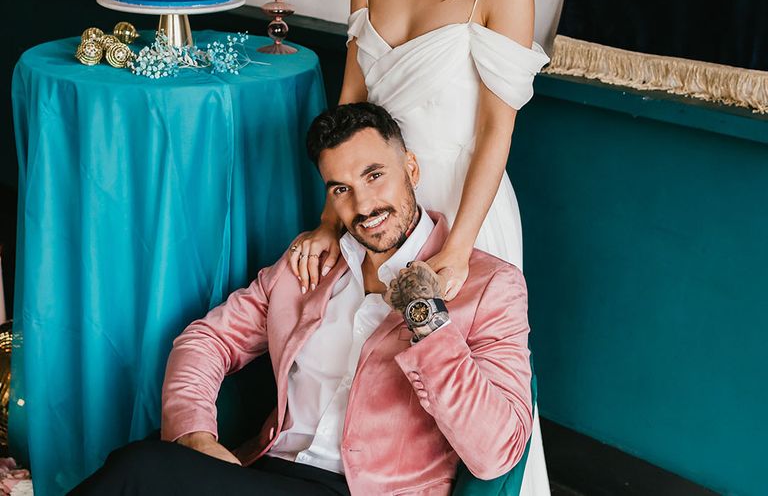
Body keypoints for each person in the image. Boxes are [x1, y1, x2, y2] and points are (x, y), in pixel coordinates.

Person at [70, 102, 534, 496]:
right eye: (342, 189)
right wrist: (194, 435)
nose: (365, 205)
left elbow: (497, 453)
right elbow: (206, 340)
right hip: (271, 473)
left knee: (138, 470)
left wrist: (426, 318)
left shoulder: (490, 286)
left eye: (375, 176)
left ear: (410, 168)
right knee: (141, 468)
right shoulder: (310, 266)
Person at [288, 0, 550, 492]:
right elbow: (350, 109)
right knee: (370, 363)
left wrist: (460, 246)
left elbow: (499, 129)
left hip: (466, 206)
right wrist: (327, 220)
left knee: (458, 383)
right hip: (379, 195)